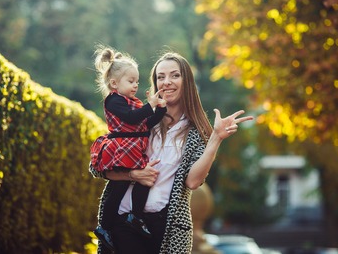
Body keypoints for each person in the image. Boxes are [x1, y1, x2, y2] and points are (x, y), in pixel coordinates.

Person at [89, 51, 254, 254]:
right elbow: (98, 168)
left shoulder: (195, 133)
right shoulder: (140, 119)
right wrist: (132, 175)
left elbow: (193, 182)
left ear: (187, 82)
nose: (167, 82)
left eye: (175, 75)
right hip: (123, 222)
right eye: (161, 77)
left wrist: (216, 139)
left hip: (165, 226)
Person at [89, 46, 167, 252]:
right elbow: (133, 118)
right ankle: (104, 228)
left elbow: (147, 123)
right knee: (118, 188)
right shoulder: (114, 100)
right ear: (114, 83)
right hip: (122, 148)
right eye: (130, 81)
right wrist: (149, 106)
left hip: (134, 148)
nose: (135, 85)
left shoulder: (134, 102)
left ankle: (136, 216)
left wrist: (161, 108)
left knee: (143, 180)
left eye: (137, 81)